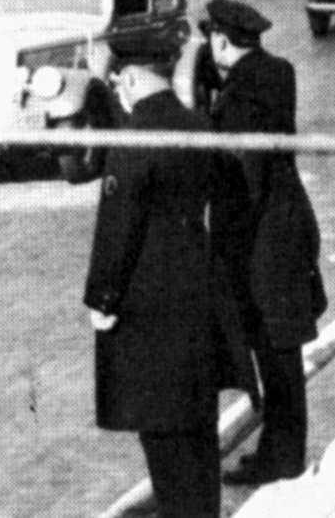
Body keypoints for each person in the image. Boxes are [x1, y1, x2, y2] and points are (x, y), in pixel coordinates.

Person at [84, 31, 253, 518]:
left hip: (148, 305)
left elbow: (118, 229)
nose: (117, 88)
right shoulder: (198, 126)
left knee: (162, 436)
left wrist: (101, 299)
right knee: (198, 429)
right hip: (197, 291)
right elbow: (231, 199)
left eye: (118, 80)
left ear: (131, 78)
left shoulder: (134, 140)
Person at [198, 0, 328, 487]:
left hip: (259, 238)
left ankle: (282, 457)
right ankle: (283, 449)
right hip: (290, 220)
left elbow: (239, 172)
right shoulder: (279, 72)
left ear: (222, 41)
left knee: (273, 352)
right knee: (285, 349)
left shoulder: (236, 97)